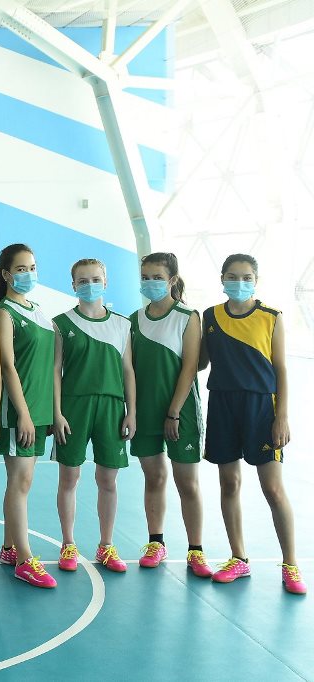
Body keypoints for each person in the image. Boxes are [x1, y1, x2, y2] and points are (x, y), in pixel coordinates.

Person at [200, 254, 306, 594]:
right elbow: (198, 361)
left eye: (246, 277)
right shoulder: (210, 316)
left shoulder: (271, 317)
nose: (239, 282)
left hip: (261, 408)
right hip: (222, 405)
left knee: (273, 488)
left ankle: (291, 564)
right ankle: (238, 558)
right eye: (232, 276)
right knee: (229, 483)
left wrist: (282, 416)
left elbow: (281, 369)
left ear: (256, 281)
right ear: (222, 278)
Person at [52, 258, 135, 573]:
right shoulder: (61, 323)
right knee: (69, 477)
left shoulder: (122, 325)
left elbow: (128, 371)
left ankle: (106, 545)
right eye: (83, 281)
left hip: (111, 409)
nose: (90, 285)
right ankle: (68, 544)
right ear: (73, 285)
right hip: (74, 407)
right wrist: (57, 412)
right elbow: (55, 372)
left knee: (108, 480)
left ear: (105, 282)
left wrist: (132, 412)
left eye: (95, 279)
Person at [129, 253, 210, 576]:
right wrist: (132, 410)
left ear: (172, 280)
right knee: (154, 478)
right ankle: (156, 542)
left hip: (181, 411)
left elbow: (190, 367)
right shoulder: (135, 319)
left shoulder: (187, 316)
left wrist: (174, 413)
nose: (150, 283)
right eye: (145, 277)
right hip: (145, 411)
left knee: (187, 483)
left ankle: (196, 550)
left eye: (157, 277)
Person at [0, 243, 57, 589]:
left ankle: (8, 547)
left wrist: (51, 411)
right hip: (19, 412)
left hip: (41, 410)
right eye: (20, 269)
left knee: (21, 481)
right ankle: (24, 560)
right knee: (21, 481)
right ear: (6, 275)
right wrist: (24, 414)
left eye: (32, 267)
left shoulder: (38, 310)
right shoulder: (4, 312)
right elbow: (7, 366)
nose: (28, 274)